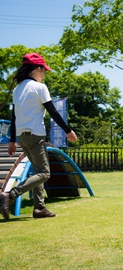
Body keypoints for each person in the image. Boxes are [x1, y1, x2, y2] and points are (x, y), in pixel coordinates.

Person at [0, 52, 77, 220]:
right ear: (37, 69)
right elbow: (53, 112)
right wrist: (68, 130)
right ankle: (9, 195)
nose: (44, 75)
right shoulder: (39, 88)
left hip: (22, 136)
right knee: (44, 173)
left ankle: (39, 208)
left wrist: (13, 140)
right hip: (35, 135)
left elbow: (14, 118)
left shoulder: (17, 89)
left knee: (37, 171)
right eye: (44, 71)